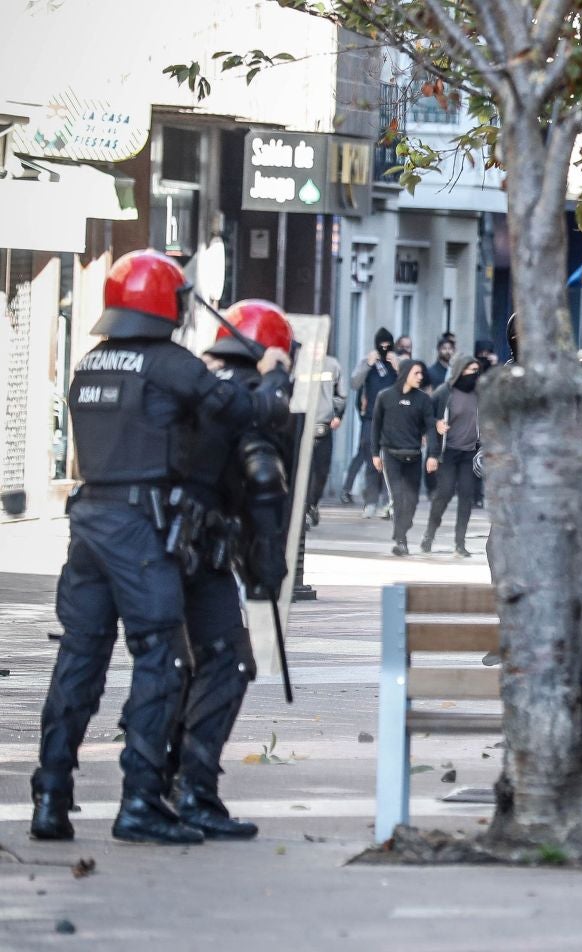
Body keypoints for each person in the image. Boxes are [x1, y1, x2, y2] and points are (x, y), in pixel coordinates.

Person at [31, 250, 291, 845]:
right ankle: (142, 802)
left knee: (79, 661)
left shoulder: (91, 364)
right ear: (167, 305)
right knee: (164, 660)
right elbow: (245, 409)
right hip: (140, 530)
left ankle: (51, 798)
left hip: (88, 524)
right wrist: (274, 373)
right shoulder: (170, 365)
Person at [170, 299, 302, 841]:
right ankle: (194, 788)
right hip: (201, 546)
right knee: (228, 662)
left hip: (149, 543)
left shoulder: (200, 381)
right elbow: (262, 491)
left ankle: (157, 782)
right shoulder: (249, 398)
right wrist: (266, 572)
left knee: (173, 665)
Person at [371, 360, 434, 556]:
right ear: (406, 373)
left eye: (421, 374)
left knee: (412, 500)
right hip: (391, 455)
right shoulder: (385, 396)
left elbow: (430, 428)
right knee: (398, 498)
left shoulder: (423, 400)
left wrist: (432, 454)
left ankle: (403, 526)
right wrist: (375, 454)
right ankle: (401, 540)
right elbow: (375, 427)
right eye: (416, 373)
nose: (420, 377)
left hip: (413, 456)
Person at [423, 355, 483, 556]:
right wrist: (436, 426)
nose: (474, 374)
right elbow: (427, 417)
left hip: (470, 453)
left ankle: (460, 542)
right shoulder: (444, 393)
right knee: (444, 494)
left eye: (477, 370)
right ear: (459, 371)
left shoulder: (480, 394)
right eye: (470, 370)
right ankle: (429, 535)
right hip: (448, 452)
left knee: (467, 497)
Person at [345, 328, 398, 514]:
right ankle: (371, 501)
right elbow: (354, 383)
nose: (384, 348)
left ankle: (388, 501)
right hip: (371, 417)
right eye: (381, 344)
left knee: (390, 459)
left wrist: (399, 366)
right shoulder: (368, 364)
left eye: (387, 344)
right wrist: (367, 364)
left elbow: (410, 384)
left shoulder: (396, 363)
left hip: (393, 418)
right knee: (371, 458)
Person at [306, 351, 347, 527]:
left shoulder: (332, 365)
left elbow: (341, 393)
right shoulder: (299, 363)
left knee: (321, 471)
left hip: (323, 425)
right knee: (303, 473)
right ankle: (304, 509)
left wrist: (338, 414)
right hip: (301, 424)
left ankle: (312, 504)